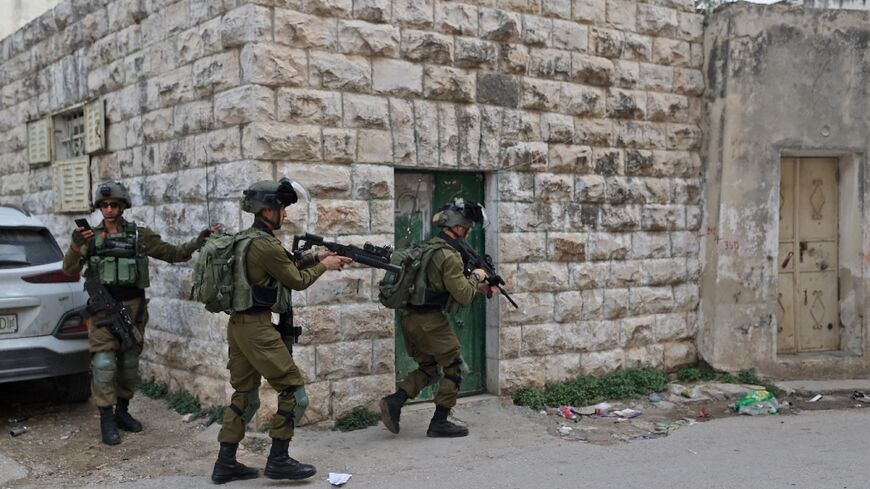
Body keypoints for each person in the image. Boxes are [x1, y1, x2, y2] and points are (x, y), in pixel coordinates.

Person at [210, 179, 351, 484]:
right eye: (281, 208)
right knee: (294, 393)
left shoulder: (248, 239)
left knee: (245, 396)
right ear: (267, 209)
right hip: (257, 329)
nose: (285, 215)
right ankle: (279, 460)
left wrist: (317, 256)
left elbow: (284, 264)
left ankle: (225, 464)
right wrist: (325, 266)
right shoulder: (264, 244)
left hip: (240, 327)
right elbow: (295, 280)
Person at [62, 180, 217, 446]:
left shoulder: (137, 236)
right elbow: (69, 270)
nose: (109, 209)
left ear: (123, 207)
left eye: (114, 204)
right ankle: (106, 419)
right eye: (104, 205)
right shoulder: (88, 237)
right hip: (101, 312)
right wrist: (76, 246)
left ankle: (122, 411)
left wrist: (197, 241)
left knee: (129, 365)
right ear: (100, 207)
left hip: (133, 310)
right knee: (103, 364)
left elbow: (172, 253)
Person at [379, 198, 495, 438]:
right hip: (429, 321)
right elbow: (462, 294)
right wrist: (478, 276)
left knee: (430, 368)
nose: (467, 233)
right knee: (455, 368)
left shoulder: (428, 246)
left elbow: (446, 285)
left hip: (409, 318)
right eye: (467, 229)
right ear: (460, 227)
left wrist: (479, 285)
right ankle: (440, 421)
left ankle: (395, 401)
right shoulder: (450, 256)